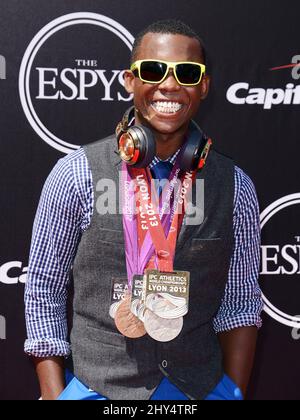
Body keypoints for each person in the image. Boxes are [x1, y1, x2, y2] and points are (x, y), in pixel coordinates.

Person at [24, 19, 263, 401]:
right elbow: (43, 289)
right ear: (129, 80)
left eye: (186, 73)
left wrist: (231, 393)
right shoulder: (75, 174)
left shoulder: (236, 186)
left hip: (197, 389)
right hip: (94, 389)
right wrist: (54, 396)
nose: (169, 85)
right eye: (153, 70)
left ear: (203, 86)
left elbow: (241, 303)